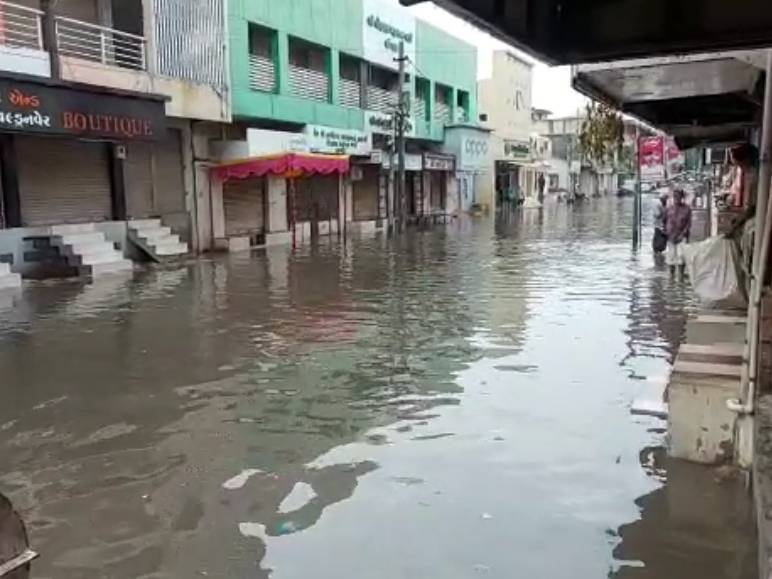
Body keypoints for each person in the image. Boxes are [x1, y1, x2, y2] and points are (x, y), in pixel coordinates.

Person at [665, 188, 692, 275]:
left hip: (682, 236)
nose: (676, 198)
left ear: (682, 197)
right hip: (670, 236)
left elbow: (688, 224)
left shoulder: (687, 209)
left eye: (678, 196)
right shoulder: (669, 208)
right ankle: (671, 276)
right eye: (675, 196)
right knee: (671, 258)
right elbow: (664, 221)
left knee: (681, 257)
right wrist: (666, 232)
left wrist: (683, 234)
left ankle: (681, 276)